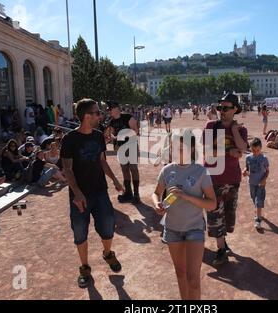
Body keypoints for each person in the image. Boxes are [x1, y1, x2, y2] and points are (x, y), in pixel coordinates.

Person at [61, 98, 124, 289]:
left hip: (100, 191)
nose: (100, 115)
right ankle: (85, 268)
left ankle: (107, 253)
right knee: (80, 233)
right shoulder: (69, 139)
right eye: (97, 113)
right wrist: (77, 193)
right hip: (79, 196)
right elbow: (67, 169)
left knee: (107, 226)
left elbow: (102, 161)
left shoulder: (97, 136)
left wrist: (114, 179)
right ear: (87, 116)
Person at [152, 130, 216, 300]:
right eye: (174, 148)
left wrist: (186, 196)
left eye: (181, 149)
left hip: (194, 228)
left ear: (192, 148)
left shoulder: (201, 171)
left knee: (193, 279)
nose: (176, 153)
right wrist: (157, 203)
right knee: (180, 274)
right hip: (172, 229)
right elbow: (156, 193)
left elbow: (212, 203)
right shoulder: (167, 170)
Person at [203, 93, 248, 266]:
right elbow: (208, 151)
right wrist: (229, 152)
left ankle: (223, 240)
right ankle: (221, 249)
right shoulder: (211, 126)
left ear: (235, 109)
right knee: (215, 215)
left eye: (226, 108)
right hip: (212, 178)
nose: (222, 111)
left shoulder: (241, 129)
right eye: (220, 107)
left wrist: (235, 130)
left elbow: (243, 148)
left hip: (232, 178)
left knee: (228, 217)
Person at [105, 101, 141, 204]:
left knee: (133, 169)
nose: (109, 112)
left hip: (131, 146)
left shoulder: (128, 117)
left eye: (110, 109)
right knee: (125, 170)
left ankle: (136, 194)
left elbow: (135, 131)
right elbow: (110, 134)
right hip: (120, 148)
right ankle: (128, 193)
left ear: (116, 108)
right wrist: (112, 137)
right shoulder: (111, 122)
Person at [243, 138, 270, 230]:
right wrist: (244, 171)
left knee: (258, 201)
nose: (255, 152)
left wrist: (264, 179)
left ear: (261, 148)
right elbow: (246, 168)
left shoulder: (264, 158)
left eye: (257, 150)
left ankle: (258, 220)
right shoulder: (248, 157)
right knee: (254, 198)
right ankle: (259, 213)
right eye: (253, 150)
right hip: (251, 183)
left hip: (261, 184)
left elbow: (267, 171)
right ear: (250, 148)